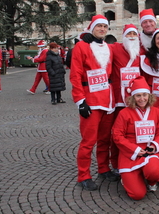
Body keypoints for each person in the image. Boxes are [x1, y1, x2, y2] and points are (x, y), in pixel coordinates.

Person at [70, 14, 116, 191]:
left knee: (105, 139)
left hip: (107, 100)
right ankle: (83, 175)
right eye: (99, 26)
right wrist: (80, 101)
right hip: (90, 100)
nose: (102, 29)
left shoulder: (109, 47)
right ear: (92, 27)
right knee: (88, 141)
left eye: (105, 26)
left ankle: (103, 168)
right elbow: (75, 75)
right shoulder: (81, 47)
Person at [112, 76, 159, 200]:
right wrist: (134, 149)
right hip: (130, 153)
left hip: (148, 151)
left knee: (154, 172)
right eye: (138, 95)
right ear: (133, 97)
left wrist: (154, 146)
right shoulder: (124, 113)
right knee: (137, 195)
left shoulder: (157, 112)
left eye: (144, 95)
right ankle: (129, 178)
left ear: (149, 96)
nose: (142, 99)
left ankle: (151, 181)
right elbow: (117, 135)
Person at [106, 24, 142, 181]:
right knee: (116, 133)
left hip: (135, 100)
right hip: (118, 99)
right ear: (124, 36)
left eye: (135, 33)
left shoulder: (141, 52)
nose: (132, 36)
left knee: (134, 133)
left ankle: (135, 159)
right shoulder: (115, 48)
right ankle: (115, 163)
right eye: (129, 34)